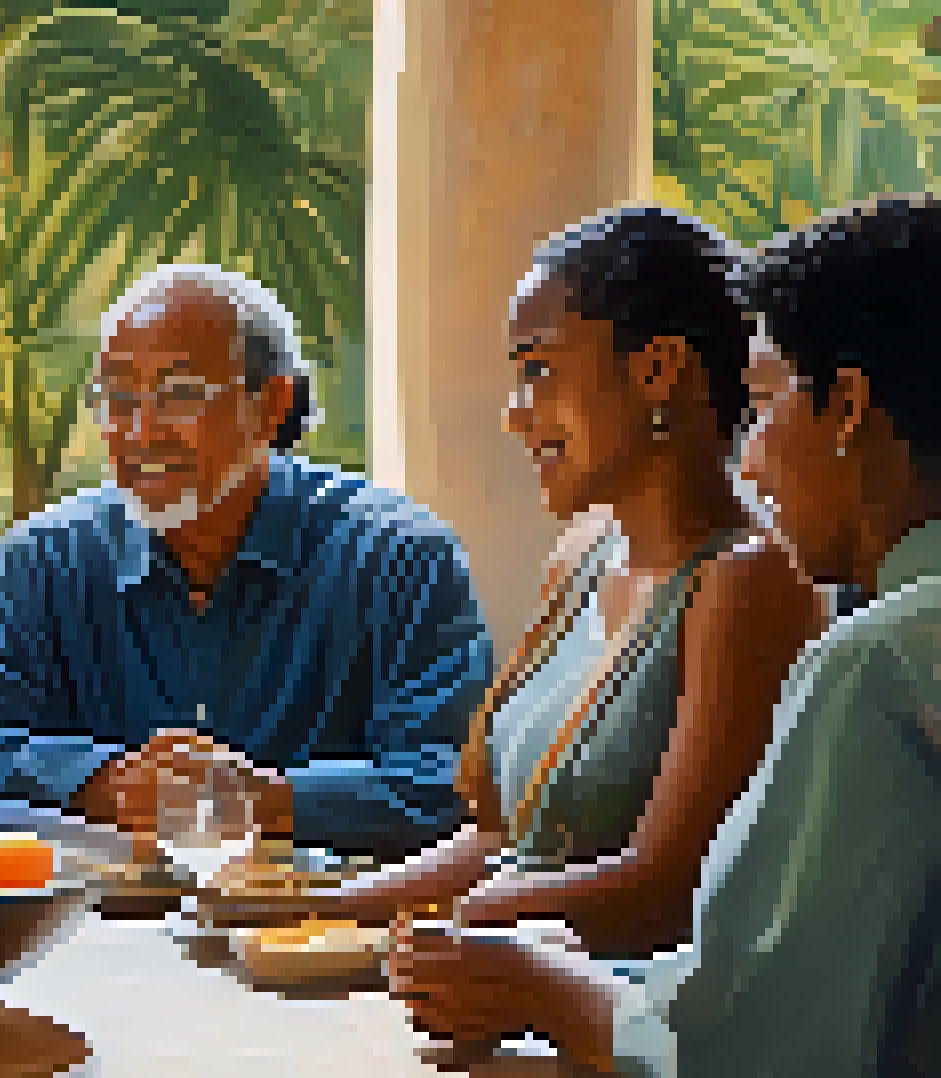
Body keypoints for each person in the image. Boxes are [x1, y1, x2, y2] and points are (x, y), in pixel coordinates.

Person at [389, 193, 941, 1078]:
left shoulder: (877, 661)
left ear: (847, 410)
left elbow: (745, 1060)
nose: (749, 456)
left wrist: (540, 987)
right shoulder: (596, 560)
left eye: (761, 405)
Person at [254, 209, 821, 958]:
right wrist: (305, 908)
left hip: (619, 1012)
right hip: (496, 978)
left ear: (658, 369)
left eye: (539, 370)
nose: (515, 415)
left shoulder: (746, 583)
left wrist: (438, 930)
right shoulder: (583, 555)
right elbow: (499, 844)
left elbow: (666, 894)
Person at [0, 264, 493, 859]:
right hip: (92, 910)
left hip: (328, 913)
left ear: (273, 405)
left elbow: (455, 784)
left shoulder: (400, 557)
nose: (142, 432)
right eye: (118, 398)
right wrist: (105, 783)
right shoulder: (39, 563)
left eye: (180, 395)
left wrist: (260, 801)